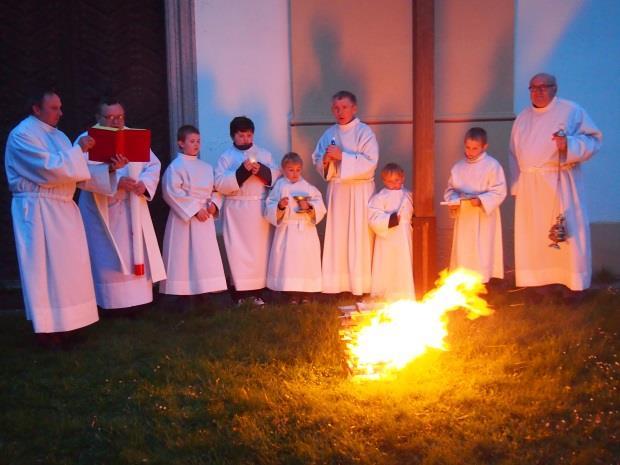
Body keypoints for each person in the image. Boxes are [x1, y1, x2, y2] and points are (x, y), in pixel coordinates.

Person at [4, 88, 126, 347]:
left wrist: (109, 169)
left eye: (60, 107)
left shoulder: (59, 137)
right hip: (39, 210)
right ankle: (48, 331)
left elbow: (77, 173)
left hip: (63, 208)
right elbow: (50, 169)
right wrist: (79, 151)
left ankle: (70, 324)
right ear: (36, 109)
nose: (60, 112)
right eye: (54, 108)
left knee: (69, 270)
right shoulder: (22, 135)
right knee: (45, 269)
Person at [509, 73, 602, 297]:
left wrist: (568, 145)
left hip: (560, 184)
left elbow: (594, 139)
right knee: (534, 236)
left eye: (544, 87)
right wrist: (516, 185)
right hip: (530, 186)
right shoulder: (522, 118)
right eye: (533, 87)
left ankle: (571, 286)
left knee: (565, 233)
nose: (538, 91)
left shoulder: (571, 111)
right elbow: (513, 153)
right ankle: (538, 284)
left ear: (555, 88)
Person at [76, 97, 166, 314]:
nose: (117, 121)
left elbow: (153, 165)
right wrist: (114, 178)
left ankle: (140, 303)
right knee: (107, 256)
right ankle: (109, 305)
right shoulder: (86, 140)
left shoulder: (132, 136)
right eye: (111, 117)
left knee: (135, 253)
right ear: (98, 117)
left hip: (132, 206)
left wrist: (143, 184)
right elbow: (78, 174)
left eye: (120, 116)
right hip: (102, 209)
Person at [311, 90, 379, 297]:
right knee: (338, 235)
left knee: (359, 237)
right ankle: (338, 285)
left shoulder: (364, 132)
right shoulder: (329, 133)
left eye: (344, 107)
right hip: (338, 190)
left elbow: (370, 162)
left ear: (354, 108)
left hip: (360, 190)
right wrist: (324, 162)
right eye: (336, 108)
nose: (340, 112)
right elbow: (318, 159)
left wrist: (343, 156)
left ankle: (360, 286)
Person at [214, 116, 280, 306]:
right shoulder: (226, 157)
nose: (246, 139)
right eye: (241, 136)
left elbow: (275, 175)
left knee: (259, 252)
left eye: (249, 135)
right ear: (233, 136)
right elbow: (219, 182)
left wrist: (261, 171)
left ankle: (259, 291)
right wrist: (242, 172)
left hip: (257, 208)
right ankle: (240, 293)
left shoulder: (264, 154)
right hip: (236, 210)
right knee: (238, 251)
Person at [159, 125, 227, 305]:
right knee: (183, 256)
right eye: (191, 141)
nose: (196, 145)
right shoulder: (176, 167)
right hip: (185, 220)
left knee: (204, 255)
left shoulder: (206, 167)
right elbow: (170, 192)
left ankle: (205, 293)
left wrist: (214, 204)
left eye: (198, 141)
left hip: (205, 218)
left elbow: (216, 189)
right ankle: (183, 296)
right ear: (180, 143)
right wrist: (195, 210)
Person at [444, 127, 506, 284]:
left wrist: (481, 200)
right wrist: (454, 200)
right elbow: (450, 189)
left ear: (484, 147)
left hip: (483, 216)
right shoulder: (458, 167)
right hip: (465, 216)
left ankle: (484, 286)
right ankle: (463, 284)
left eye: (475, 148)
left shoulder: (492, 165)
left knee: (482, 249)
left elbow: (499, 190)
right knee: (464, 249)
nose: (470, 152)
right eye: (467, 147)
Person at [264, 152, 326, 304]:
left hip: (305, 231)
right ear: (284, 169)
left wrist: (309, 206)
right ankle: (291, 293)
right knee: (288, 263)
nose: (295, 173)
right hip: (287, 231)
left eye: (298, 170)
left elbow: (320, 206)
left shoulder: (308, 187)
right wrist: (280, 206)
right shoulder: (279, 186)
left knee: (305, 262)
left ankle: (307, 293)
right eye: (291, 170)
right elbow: (269, 205)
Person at [368, 163, 415, 300]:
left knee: (403, 263)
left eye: (397, 180)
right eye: (389, 181)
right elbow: (373, 217)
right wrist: (391, 219)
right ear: (383, 181)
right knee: (387, 264)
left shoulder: (408, 195)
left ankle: (404, 295)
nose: (393, 184)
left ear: (403, 178)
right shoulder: (379, 197)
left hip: (404, 235)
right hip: (387, 236)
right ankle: (384, 295)